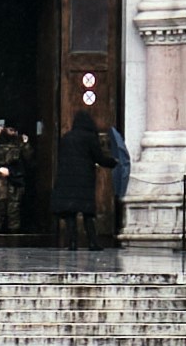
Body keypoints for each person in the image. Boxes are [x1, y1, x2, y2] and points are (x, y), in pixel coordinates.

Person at [51, 71, 131, 260]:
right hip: (84, 180)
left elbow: (61, 157)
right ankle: (93, 242)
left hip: (67, 180)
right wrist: (114, 163)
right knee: (87, 214)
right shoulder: (89, 138)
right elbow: (99, 157)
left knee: (70, 214)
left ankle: (72, 243)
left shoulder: (67, 137)